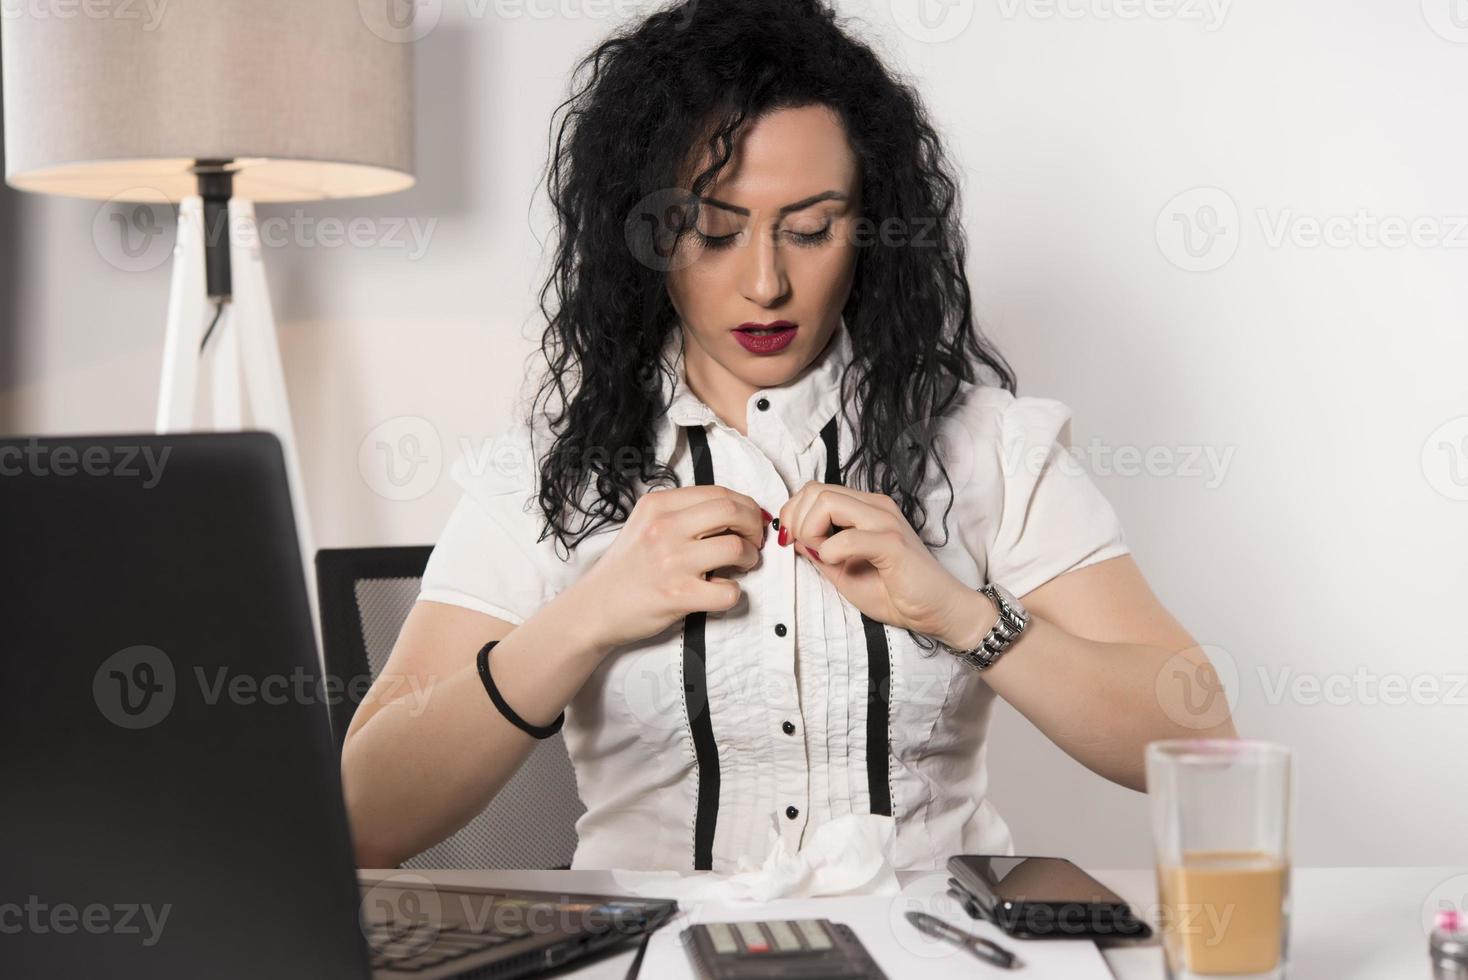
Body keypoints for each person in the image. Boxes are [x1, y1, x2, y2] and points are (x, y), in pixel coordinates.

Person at [340, 0, 1237, 872]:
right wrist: (586, 616)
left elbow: (1199, 738)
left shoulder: (990, 448)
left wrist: (958, 614)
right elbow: (364, 817)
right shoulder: (547, 474)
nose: (766, 284)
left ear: (870, 230)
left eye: (810, 230)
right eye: (712, 232)